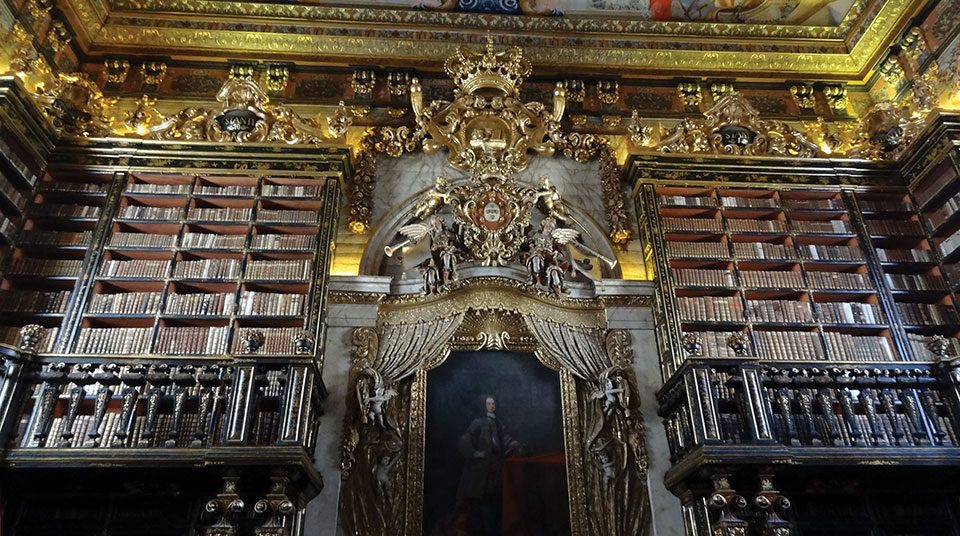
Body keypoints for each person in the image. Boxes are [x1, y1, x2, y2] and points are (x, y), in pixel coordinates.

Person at [456, 395, 522, 536]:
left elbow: (505, 439)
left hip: (496, 467)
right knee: (482, 501)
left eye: (493, 403)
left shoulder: (498, 423)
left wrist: (514, 444)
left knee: (495, 499)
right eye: (489, 403)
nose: (492, 406)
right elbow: (464, 439)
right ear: (484, 405)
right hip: (482, 469)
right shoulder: (478, 422)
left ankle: (494, 531)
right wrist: (474, 453)